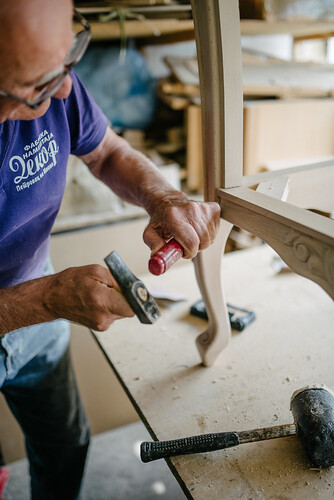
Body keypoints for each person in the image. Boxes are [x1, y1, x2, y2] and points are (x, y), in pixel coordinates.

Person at [0, 0, 221, 498]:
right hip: (32, 301)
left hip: (39, 313)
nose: (62, 91)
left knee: (65, 444)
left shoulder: (55, 77)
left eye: (69, 59)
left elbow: (107, 152)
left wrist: (163, 197)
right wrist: (46, 299)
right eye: (36, 87)